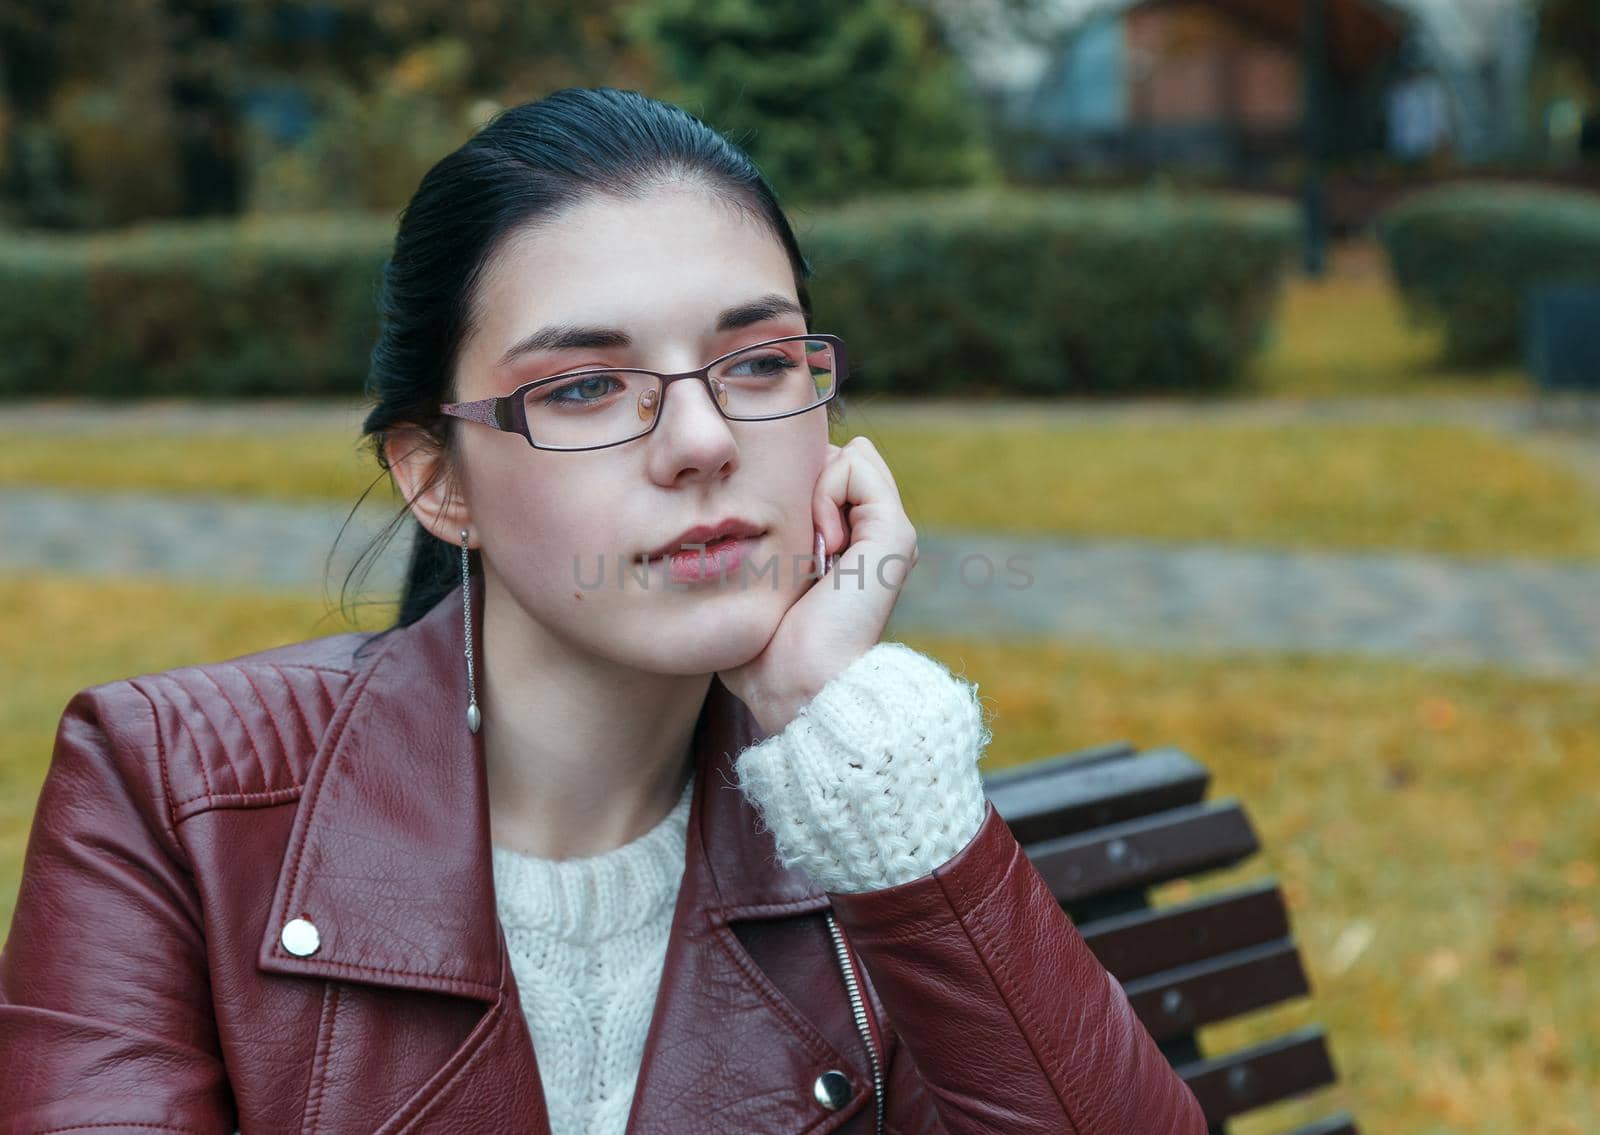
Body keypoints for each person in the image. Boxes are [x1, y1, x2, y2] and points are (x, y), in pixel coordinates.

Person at [0, 88, 1206, 1133]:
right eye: (583, 386)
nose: (701, 440)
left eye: (758, 362)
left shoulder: (865, 814)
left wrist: (840, 733)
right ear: (436, 478)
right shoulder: (175, 792)